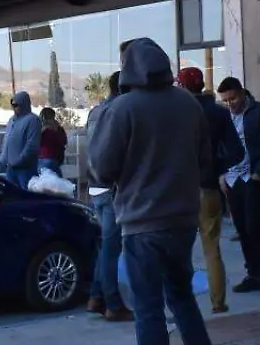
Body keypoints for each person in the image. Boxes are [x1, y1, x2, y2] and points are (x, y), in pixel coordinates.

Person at [89, 38, 213, 345]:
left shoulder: (122, 108)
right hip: (183, 220)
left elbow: (102, 169)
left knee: (148, 308)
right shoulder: (188, 104)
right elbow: (205, 160)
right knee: (182, 298)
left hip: (141, 222)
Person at [177, 67, 244, 314]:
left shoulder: (177, 113)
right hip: (209, 187)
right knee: (212, 248)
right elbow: (237, 152)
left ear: (182, 86)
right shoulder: (219, 113)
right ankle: (218, 302)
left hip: (180, 189)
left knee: (179, 250)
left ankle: (182, 302)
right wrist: (217, 168)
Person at [217, 76, 260, 301]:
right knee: (242, 229)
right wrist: (221, 174)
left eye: (232, 99)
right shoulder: (224, 116)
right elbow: (219, 146)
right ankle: (253, 274)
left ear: (242, 93)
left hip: (254, 178)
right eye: (225, 100)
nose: (230, 104)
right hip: (232, 179)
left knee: (255, 228)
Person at [83, 71, 133, 322]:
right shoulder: (118, 112)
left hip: (94, 186)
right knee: (111, 250)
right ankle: (113, 304)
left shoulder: (95, 111)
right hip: (111, 187)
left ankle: (95, 297)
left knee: (105, 247)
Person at [0, 91, 41, 189]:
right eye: (12, 105)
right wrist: (3, 158)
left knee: (26, 195)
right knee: (11, 195)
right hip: (10, 168)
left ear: (24, 104)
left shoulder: (33, 120)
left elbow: (32, 144)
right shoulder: (11, 120)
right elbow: (7, 140)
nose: (14, 108)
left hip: (25, 169)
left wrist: (20, 160)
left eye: (16, 105)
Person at [38, 107, 68, 175]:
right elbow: (64, 141)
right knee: (56, 180)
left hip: (39, 159)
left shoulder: (38, 128)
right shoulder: (57, 128)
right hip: (53, 159)